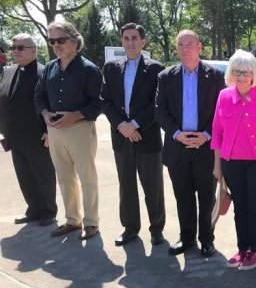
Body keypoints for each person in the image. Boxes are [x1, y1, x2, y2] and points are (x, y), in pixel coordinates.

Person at [211, 50, 256, 270]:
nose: (241, 76)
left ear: (254, 74)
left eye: (246, 72)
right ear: (231, 73)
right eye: (237, 71)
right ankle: (243, 249)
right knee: (239, 207)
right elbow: (217, 131)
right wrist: (217, 165)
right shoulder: (224, 96)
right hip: (231, 162)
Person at [156, 30, 225, 257]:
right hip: (178, 147)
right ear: (176, 48)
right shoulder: (166, 77)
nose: (185, 49)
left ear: (199, 47)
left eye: (190, 44)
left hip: (206, 147)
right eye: (181, 45)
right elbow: (160, 110)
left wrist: (207, 134)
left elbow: (222, 111)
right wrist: (176, 134)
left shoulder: (215, 76)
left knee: (206, 196)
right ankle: (186, 238)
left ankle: (207, 239)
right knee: (183, 196)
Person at [34, 21, 102, 240]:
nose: (56, 45)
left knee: (87, 178)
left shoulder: (89, 69)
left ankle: (91, 222)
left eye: (60, 40)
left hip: (80, 129)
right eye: (52, 41)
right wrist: (45, 114)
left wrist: (74, 115)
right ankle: (73, 220)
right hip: (55, 131)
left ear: (74, 40)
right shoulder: (49, 68)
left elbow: (98, 103)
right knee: (64, 178)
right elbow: (39, 96)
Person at [101, 23, 166, 247]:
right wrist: (122, 125)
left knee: (153, 187)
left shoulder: (156, 68)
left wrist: (135, 125)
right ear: (122, 41)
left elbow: (157, 103)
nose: (130, 42)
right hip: (121, 137)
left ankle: (156, 229)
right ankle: (130, 228)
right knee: (126, 185)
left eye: (135, 38)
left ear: (143, 41)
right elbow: (105, 101)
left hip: (147, 136)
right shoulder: (110, 68)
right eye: (126, 38)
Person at [0, 33, 57, 226]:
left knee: (43, 174)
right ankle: (33, 209)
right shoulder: (8, 71)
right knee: (24, 175)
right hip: (14, 135)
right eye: (13, 47)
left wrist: (49, 130)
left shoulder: (44, 72)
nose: (16, 51)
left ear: (34, 51)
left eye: (21, 47)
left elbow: (51, 103)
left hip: (37, 135)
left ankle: (48, 211)